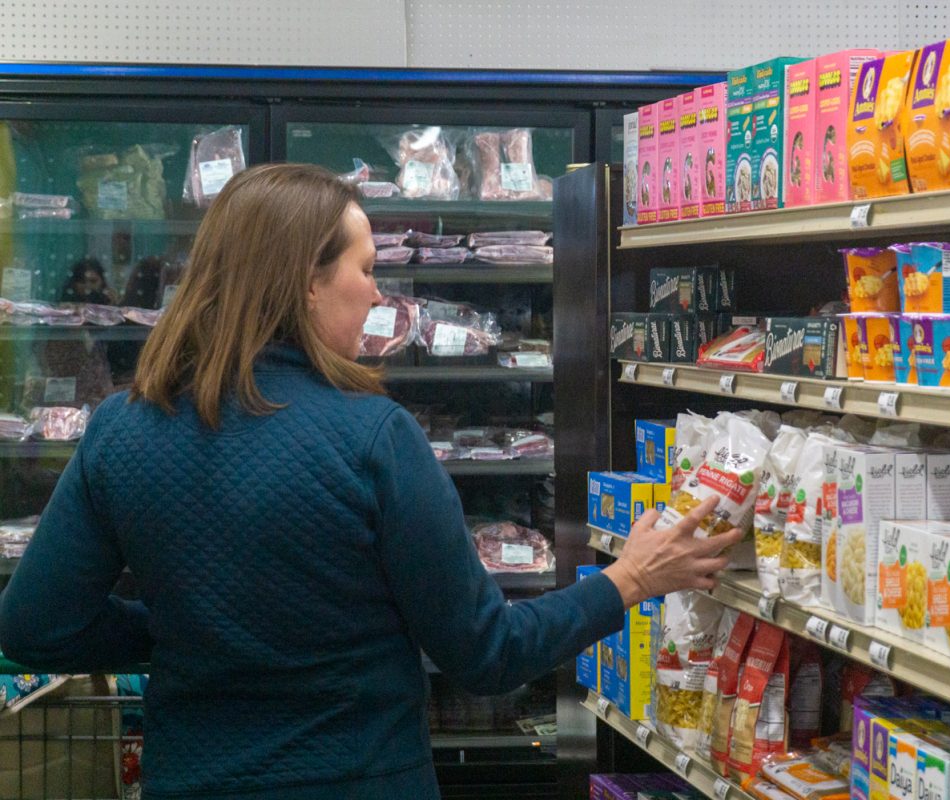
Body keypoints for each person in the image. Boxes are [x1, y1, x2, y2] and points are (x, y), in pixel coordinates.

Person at [0, 163, 739, 800]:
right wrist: (628, 581)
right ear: (307, 286)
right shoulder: (372, 438)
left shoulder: (122, 430)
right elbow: (486, 654)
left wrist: (187, 629)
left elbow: (36, 626)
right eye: (365, 268)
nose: (380, 296)